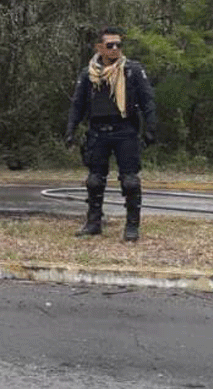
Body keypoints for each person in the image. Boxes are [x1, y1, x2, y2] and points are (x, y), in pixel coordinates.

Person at [65, 26, 156, 241]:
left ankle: (132, 226)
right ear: (100, 47)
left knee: (130, 181)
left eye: (118, 45)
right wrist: (70, 129)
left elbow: (148, 101)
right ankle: (94, 223)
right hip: (98, 131)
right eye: (110, 45)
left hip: (126, 131)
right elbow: (77, 105)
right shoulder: (89, 74)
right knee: (94, 181)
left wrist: (151, 129)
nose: (115, 49)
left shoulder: (132, 70)